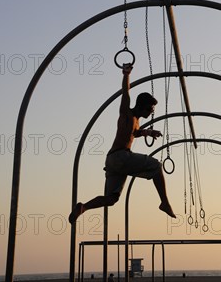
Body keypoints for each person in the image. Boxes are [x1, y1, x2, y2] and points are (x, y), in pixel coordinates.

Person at [69, 64, 176, 223]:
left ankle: (83, 207)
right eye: (150, 108)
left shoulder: (136, 121)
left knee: (111, 199)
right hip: (121, 156)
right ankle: (165, 203)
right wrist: (126, 74)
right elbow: (125, 94)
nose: (151, 112)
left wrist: (148, 132)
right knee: (156, 166)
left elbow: (134, 133)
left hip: (113, 160)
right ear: (141, 105)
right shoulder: (127, 114)